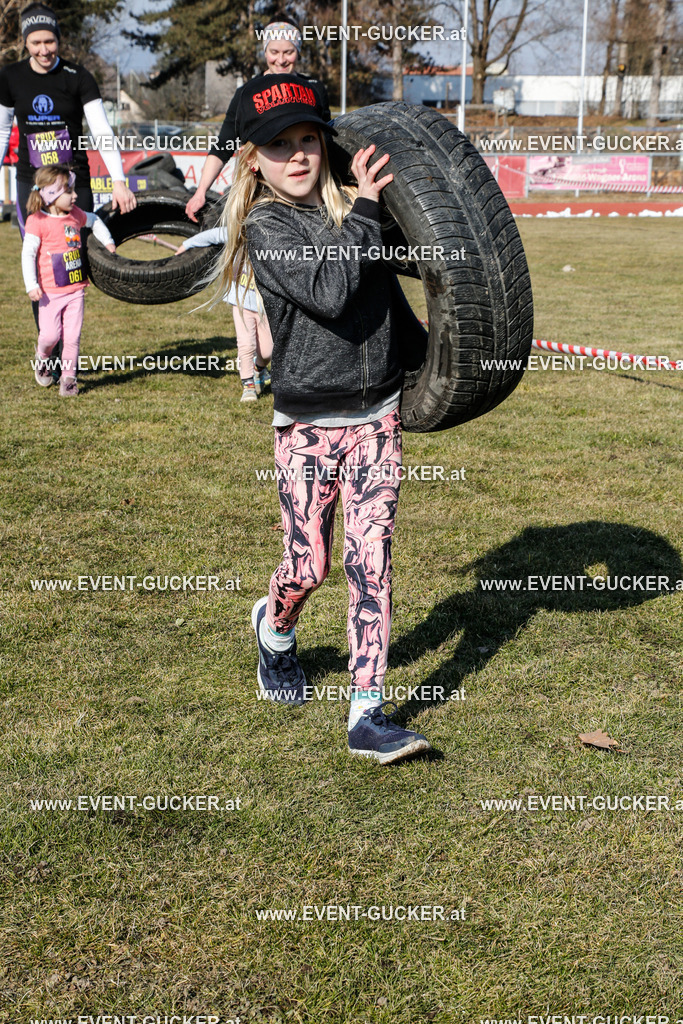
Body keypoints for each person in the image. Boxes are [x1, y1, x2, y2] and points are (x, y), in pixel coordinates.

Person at [211, 75, 432, 764]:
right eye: (280, 145)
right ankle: (274, 632)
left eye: (308, 139)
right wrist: (365, 208)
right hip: (306, 423)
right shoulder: (264, 226)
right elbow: (331, 290)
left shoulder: (355, 214)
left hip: (376, 418)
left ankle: (366, 712)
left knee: (372, 561)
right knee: (308, 563)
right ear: (253, 159)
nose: (298, 155)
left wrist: (448, 366)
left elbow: (387, 306)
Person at [0, 1, 136, 238]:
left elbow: (101, 131)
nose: (44, 50)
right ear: (25, 42)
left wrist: (118, 181)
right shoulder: (10, 77)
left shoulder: (79, 77)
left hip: (74, 182)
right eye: (36, 43)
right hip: (32, 183)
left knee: (76, 258)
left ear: (59, 39)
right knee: (39, 259)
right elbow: (1, 132)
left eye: (49, 41)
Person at [185, 18, 330, 223]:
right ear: (264, 52)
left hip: (309, 192)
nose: (281, 60)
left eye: (288, 52)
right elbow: (224, 145)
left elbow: (326, 144)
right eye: (274, 52)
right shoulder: (247, 93)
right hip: (263, 195)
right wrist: (200, 192)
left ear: (298, 51)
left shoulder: (314, 89)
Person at [22, 163, 115, 396]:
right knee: (50, 336)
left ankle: (69, 380)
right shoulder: (37, 221)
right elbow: (28, 254)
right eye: (69, 191)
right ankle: (42, 358)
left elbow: (94, 220)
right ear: (51, 195)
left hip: (76, 290)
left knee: (72, 337)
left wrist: (108, 241)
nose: (75, 196)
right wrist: (31, 285)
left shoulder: (75, 215)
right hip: (49, 293)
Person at [176, 226, 273, 402]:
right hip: (241, 303)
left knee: (267, 352)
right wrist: (187, 244)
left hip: (265, 305)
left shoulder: (275, 236)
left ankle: (259, 369)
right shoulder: (237, 231)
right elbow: (212, 236)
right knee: (246, 344)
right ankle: (248, 385)